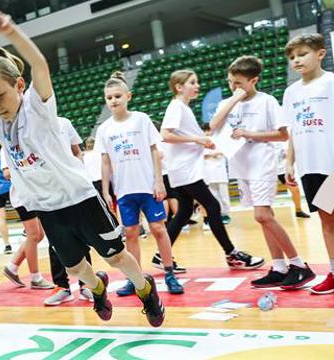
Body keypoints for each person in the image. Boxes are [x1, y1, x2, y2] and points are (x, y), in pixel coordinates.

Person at [0, 9, 165, 327]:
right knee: (74, 269)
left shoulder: (37, 106)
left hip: (80, 196)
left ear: (18, 85)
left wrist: (10, 30)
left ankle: (145, 290)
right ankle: (98, 287)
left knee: (115, 256)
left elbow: (40, 65)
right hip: (47, 205)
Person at [209, 55, 315, 289]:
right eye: (230, 83)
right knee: (264, 219)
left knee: (263, 216)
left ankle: (299, 265)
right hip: (241, 165)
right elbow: (214, 125)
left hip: (262, 163)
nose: (233, 87)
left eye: (238, 83)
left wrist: (249, 134)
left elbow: (283, 134)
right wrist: (234, 98)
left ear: (253, 80)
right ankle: (279, 267)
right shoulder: (227, 103)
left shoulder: (266, 101)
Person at [159, 69, 265, 272]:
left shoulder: (183, 108)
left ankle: (161, 254)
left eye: (196, 81)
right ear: (179, 87)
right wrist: (197, 139)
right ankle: (231, 254)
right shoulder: (177, 107)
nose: (197, 85)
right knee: (213, 206)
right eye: (192, 82)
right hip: (185, 170)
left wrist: (201, 142)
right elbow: (165, 134)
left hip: (182, 169)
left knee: (184, 213)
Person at [282, 33, 334, 297]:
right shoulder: (291, 92)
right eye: (292, 57)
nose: (296, 60)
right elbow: (293, 130)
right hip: (310, 166)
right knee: (328, 219)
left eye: (302, 54)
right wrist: (289, 161)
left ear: (320, 54)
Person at [97, 71, 184, 296]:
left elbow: (155, 150)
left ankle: (169, 273)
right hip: (124, 191)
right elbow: (105, 161)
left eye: (117, 96)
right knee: (131, 233)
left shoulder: (141, 119)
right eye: (109, 97)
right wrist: (106, 191)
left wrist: (159, 181)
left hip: (147, 186)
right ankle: (135, 279)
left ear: (128, 96)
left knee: (158, 229)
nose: (113, 100)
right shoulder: (104, 129)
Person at [43, 118, 95, 306]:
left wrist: (77, 174)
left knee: (81, 236)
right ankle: (62, 286)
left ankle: (87, 284)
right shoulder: (29, 127)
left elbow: (77, 151)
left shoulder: (64, 123)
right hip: (48, 192)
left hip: (72, 189)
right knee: (55, 241)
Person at [0, 148, 54, 290]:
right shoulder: (6, 147)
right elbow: (6, 173)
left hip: (34, 193)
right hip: (22, 196)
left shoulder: (26, 142)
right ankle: (35, 278)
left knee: (39, 235)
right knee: (34, 234)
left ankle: (12, 267)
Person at [200, 122, 231, 230]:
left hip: (220, 171)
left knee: (224, 195)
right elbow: (200, 154)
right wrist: (210, 154)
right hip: (208, 173)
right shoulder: (200, 141)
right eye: (205, 130)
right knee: (214, 196)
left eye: (208, 130)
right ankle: (217, 214)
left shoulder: (219, 140)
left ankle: (226, 214)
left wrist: (212, 154)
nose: (207, 133)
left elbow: (223, 151)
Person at [275, 143, 310, 218]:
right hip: (268, 171)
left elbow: (289, 152)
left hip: (283, 170)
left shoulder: (284, 141)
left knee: (295, 190)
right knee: (270, 193)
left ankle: (298, 211)